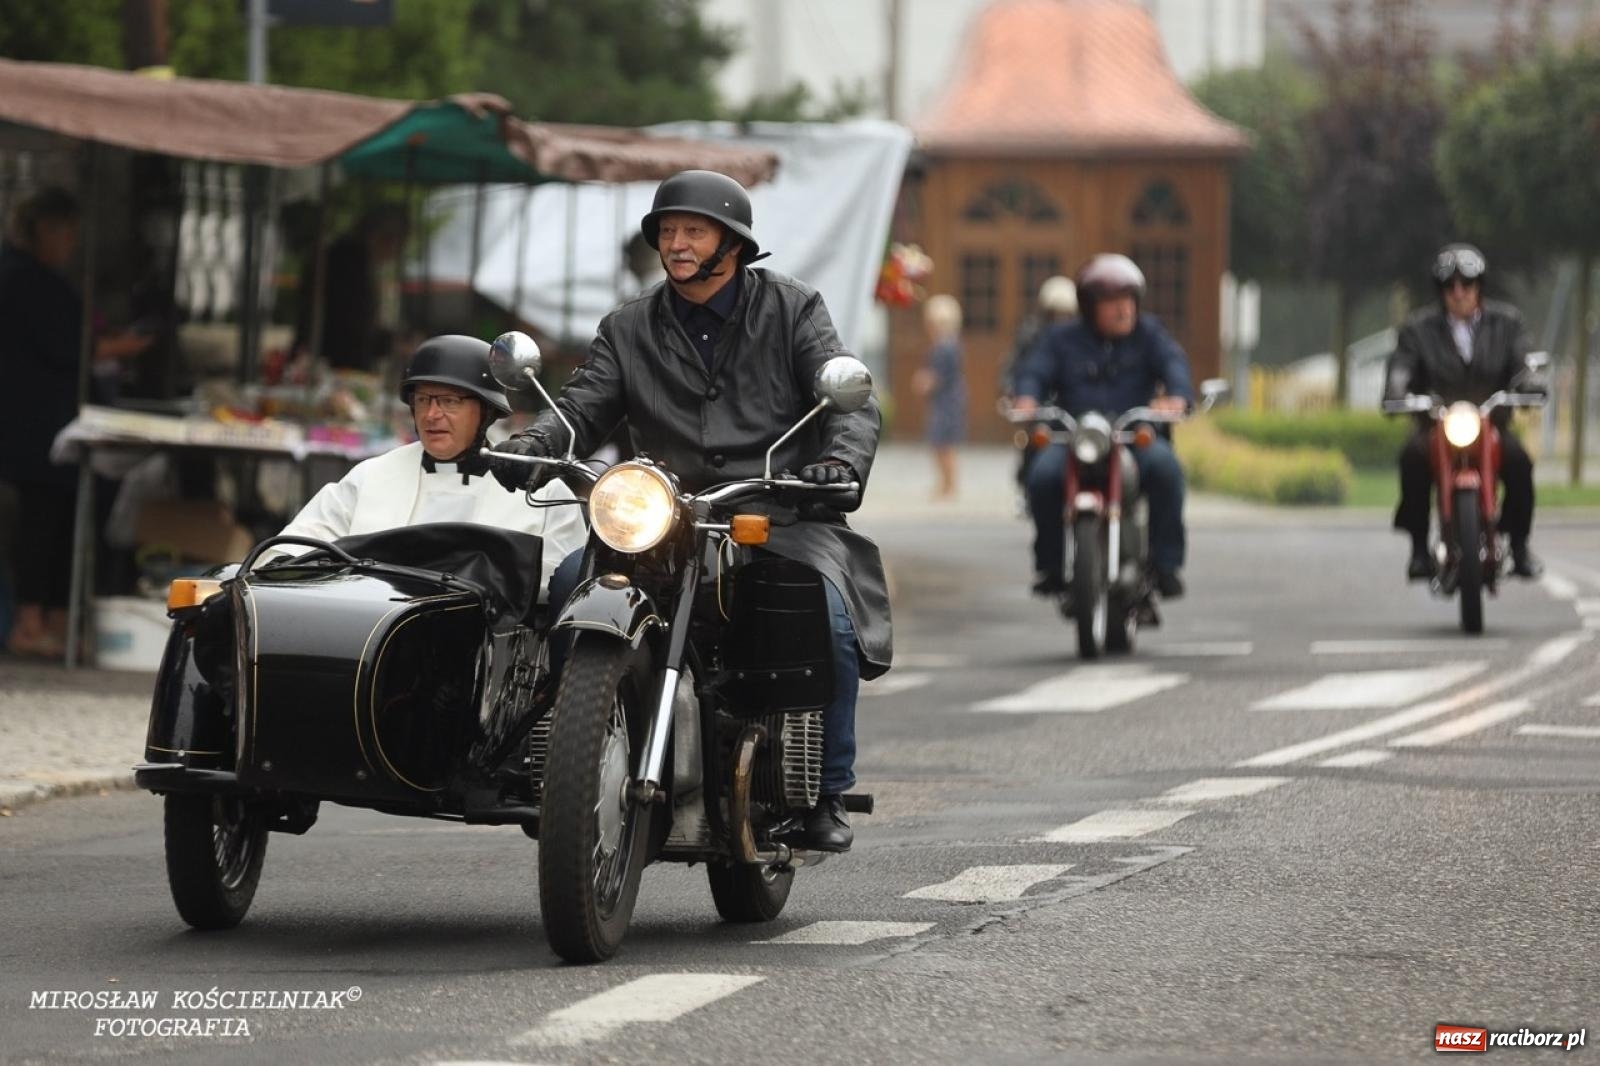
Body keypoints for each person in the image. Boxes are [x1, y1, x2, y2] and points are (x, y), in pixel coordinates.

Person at [488, 168, 892, 853]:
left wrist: (839, 465)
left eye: (692, 231)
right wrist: (536, 440)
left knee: (826, 614)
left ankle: (824, 788)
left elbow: (849, 400)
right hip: (658, 516)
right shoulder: (629, 325)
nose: (676, 243)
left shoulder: (793, 309)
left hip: (774, 508)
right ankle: (566, 757)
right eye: (667, 231)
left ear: (731, 244)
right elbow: (584, 403)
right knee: (564, 589)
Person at [271, 335, 587, 605]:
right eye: (423, 400)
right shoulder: (372, 477)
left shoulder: (543, 491)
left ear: (487, 411)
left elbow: (566, 588)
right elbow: (289, 550)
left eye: (449, 401)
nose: (432, 414)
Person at [0, 187, 153, 658]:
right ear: (47, 231)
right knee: (44, 522)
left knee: (58, 519)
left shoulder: (24, 277)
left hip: (38, 419)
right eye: (67, 235)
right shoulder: (27, 281)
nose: (71, 245)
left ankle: (55, 622)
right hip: (38, 424)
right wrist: (129, 347)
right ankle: (31, 623)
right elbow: (75, 346)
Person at [1012, 253, 1194, 600]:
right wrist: (1026, 396)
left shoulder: (1149, 334)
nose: (1123, 309)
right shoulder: (1060, 338)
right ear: (1088, 306)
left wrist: (1178, 395)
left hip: (1132, 436)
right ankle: (1050, 566)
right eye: (1112, 302)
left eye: (1128, 300)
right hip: (1075, 437)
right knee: (1042, 478)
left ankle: (1166, 565)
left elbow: (1174, 363)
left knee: (1167, 470)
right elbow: (1034, 370)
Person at [1383, 243, 1544, 580]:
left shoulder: (1507, 323)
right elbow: (1402, 365)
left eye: (1466, 284)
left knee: (1519, 463)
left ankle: (1519, 545)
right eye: (1449, 285)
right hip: (1435, 424)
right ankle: (1417, 551)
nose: (1458, 292)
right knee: (1411, 458)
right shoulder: (1417, 328)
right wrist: (1397, 389)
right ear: (1440, 291)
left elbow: (1523, 362)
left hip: (1491, 422)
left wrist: (1529, 383)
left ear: (1479, 286)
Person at [293, 203, 409, 373]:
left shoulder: (342, 255)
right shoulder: (351, 264)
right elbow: (353, 327)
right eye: (399, 244)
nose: (397, 253)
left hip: (325, 360)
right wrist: (391, 343)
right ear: (384, 238)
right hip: (336, 365)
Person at [913, 294, 967, 499]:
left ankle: (948, 485)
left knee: (943, 443)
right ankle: (946, 484)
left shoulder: (944, 346)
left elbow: (938, 375)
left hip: (947, 401)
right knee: (943, 442)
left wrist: (923, 382)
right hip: (948, 399)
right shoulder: (949, 343)